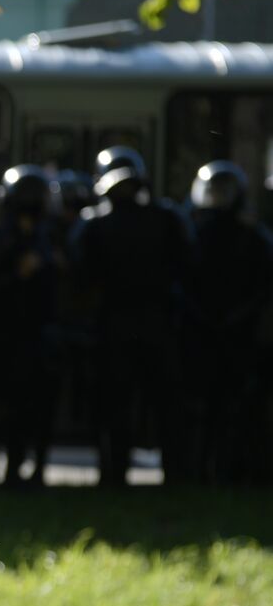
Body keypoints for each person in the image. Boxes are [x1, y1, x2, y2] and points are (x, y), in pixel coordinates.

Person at [69, 146, 193, 486]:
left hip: (119, 325)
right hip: (152, 325)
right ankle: (171, 476)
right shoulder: (165, 218)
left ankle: (114, 475)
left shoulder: (94, 224)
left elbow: (80, 278)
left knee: (119, 406)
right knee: (157, 405)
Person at [181, 161, 273, 484]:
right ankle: (204, 471)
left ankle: (229, 469)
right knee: (205, 409)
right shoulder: (192, 236)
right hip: (212, 334)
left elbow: (263, 288)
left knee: (234, 409)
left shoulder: (252, 239)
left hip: (232, 337)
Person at [0, 165, 63, 487]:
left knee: (29, 408)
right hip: (3, 336)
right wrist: (16, 275)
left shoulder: (47, 240)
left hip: (35, 336)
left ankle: (17, 474)